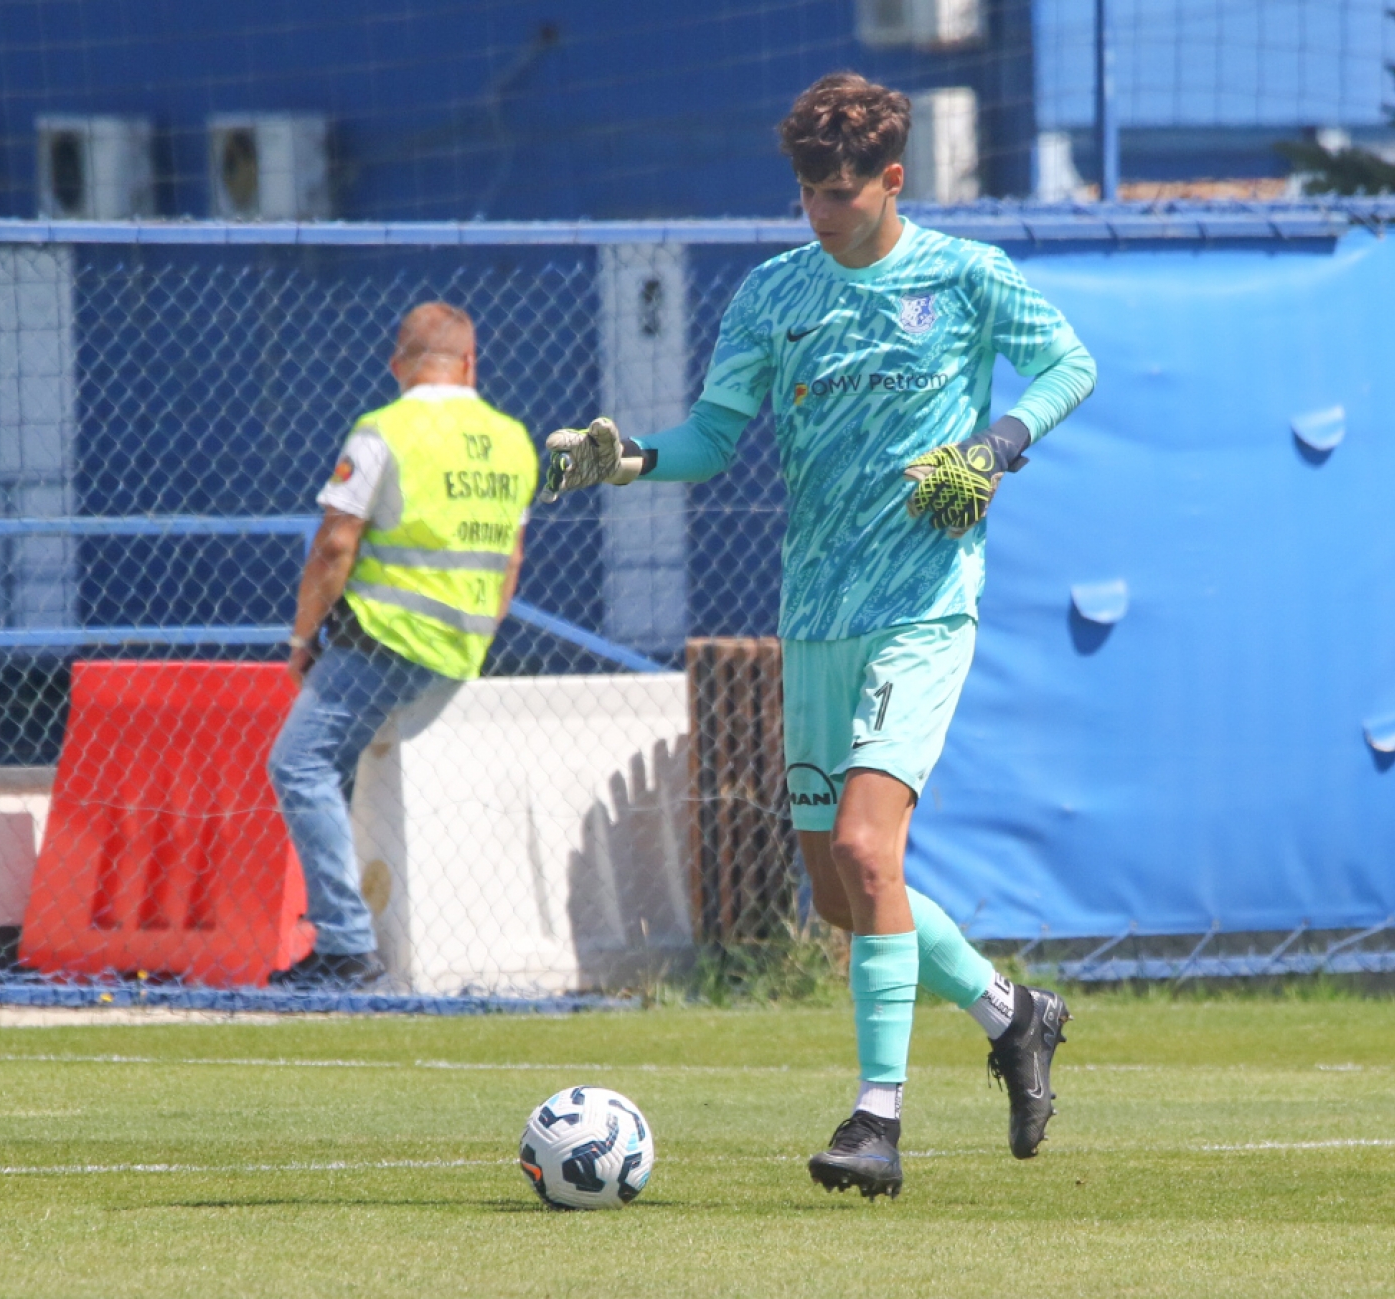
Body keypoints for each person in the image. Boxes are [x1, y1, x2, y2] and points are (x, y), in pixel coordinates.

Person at [543, 73, 1097, 1197]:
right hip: (814, 618)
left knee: (865, 850)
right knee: (844, 894)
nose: (823, 211)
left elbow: (1070, 364)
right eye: (808, 192)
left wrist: (995, 446)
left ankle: (876, 1122)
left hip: (923, 605)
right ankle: (1014, 1014)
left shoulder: (964, 275)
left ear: (892, 178)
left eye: (842, 193)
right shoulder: (774, 293)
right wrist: (632, 458)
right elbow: (713, 436)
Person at [267, 303, 537, 990]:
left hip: (386, 638)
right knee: (335, 763)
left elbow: (335, 545)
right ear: (470, 363)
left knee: (300, 764)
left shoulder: (382, 430)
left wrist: (302, 637)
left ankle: (344, 946)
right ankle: (349, 936)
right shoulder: (513, 440)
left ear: (398, 366)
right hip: (462, 647)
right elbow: (511, 558)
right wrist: (476, 634)